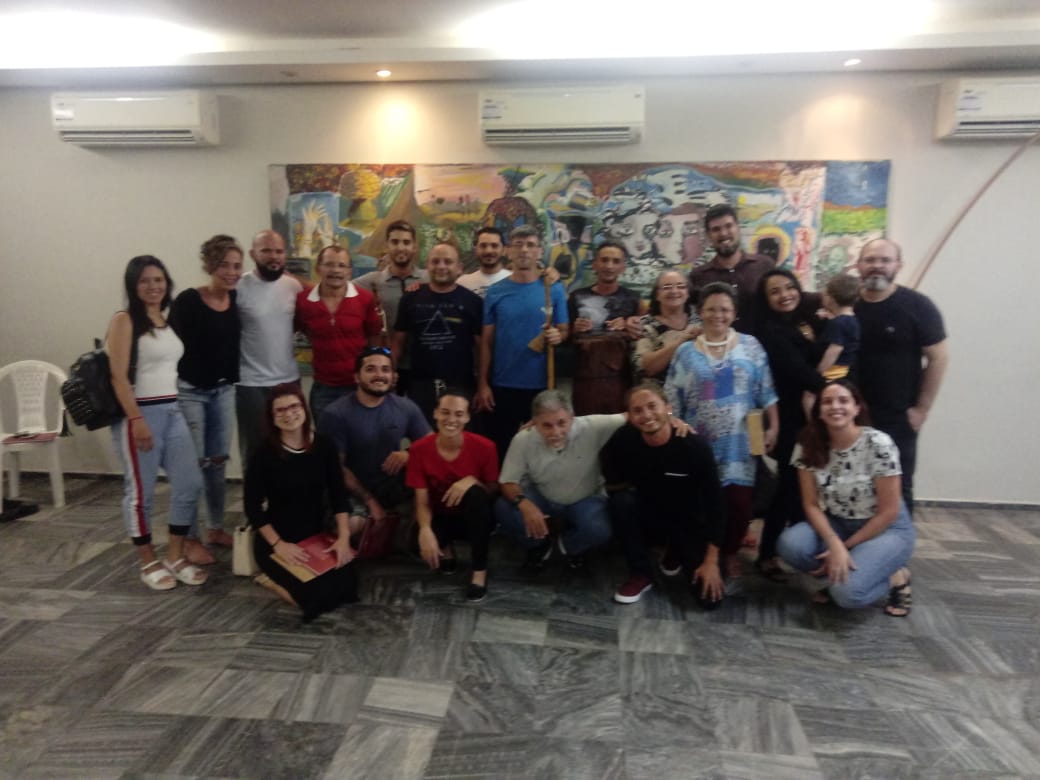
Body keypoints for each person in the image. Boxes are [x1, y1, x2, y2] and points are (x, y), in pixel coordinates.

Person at [107, 255, 206, 591]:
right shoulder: (124, 320)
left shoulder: (164, 319)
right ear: (133, 285)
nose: (153, 286)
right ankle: (147, 561)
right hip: (140, 414)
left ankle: (175, 555)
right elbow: (118, 377)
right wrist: (136, 419)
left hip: (172, 410)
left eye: (159, 279)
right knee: (141, 493)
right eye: (145, 280)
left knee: (190, 483)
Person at [666, 282, 778, 576]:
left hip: (741, 442)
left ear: (735, 313)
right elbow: (671, 396)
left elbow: (767, 390)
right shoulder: (685, 351)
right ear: (700, 312)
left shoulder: (751, 346)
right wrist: (675, 426)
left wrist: (773, 426)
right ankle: (695, 549)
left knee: (739, 504)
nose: (718, 315)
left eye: (725, 309)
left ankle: (728, 551)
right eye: (711, 309)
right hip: (697, 442)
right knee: (697, 502)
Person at [777, 380, 914, 616]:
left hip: (886, 529)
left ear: (857, 408)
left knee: (847, 595)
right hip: (838, 523)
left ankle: (895, 577)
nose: (835, 407)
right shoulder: (807, 444)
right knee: (791, 546)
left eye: (843, 401)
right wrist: (833, 542)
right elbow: (811, 504)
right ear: (819, 411)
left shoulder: (879, 443)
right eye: (827, 402)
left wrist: (844, 547)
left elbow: (889, 512)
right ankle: (846, 570)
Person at [601, 383, 726, 609]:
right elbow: (604, 461)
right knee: (621, 502)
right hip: (650, 515)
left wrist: (711, 561)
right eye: (637, 410)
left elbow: (716, 505)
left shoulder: (694, 447)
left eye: (652, 406)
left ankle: (675, 550)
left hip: (688, 521)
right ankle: (641, 573)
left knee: (709, 600)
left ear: (668, 408)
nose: (646, 415)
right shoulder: (624, 439)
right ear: (630, 416)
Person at [245, 384, 360, 622]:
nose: (289, 414)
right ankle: (269, 580)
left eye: (294, 406)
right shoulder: (263, 454)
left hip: (316, 536)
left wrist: (343, 538)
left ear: (304, 409)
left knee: (348, 589)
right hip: (279, 539)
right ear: (271, 417)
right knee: (315, 601)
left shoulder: (325, 445)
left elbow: (339, 495)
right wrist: (279, 545)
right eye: (280, 410)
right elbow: (252, 507)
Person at [855, 238, 948, 511]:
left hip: (897, 418)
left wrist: (922, 409)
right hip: (850, 416)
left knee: (897, 487)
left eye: (885, 260)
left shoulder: (918, 306)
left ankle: (897, 538)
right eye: (870, 260)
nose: (877, 266)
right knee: (852, 484)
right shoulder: (846, 305)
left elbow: (939, 357)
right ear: (859, 265)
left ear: (898, 265)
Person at [169, 234, 243, 565]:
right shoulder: (188, 300)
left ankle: (215, 528)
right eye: (225, 265)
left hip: (223, 391)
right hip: (191, 392)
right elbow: (168, 344)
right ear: (210, 265)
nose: (231, 272)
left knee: (217, 464)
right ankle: (189, 538)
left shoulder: (236, 300)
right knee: (193, 468)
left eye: (237, 266)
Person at [752, 268, 826, 581]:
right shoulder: (771, 331)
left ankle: (800, 552)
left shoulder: (804, 322)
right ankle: (767, 554)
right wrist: (837, 391)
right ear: (766, 299)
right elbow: (799, 371)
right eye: (775, 291)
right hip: (788, 418)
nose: (785, 295)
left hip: (812, 416)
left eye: (789, 287)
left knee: (804, 486)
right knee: (788, 486)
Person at [495, 390, 618, 571]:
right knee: (503, 508)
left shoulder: (591, 426)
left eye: (562, 423)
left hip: (585, 498)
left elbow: (630, 416)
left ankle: (568, 547)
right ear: (535, 422)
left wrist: (663, 418)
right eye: (547, 425)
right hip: (542, 495)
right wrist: (525, 504)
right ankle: (538, 545)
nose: (556, 432)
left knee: (599, 529)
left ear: (572, 417)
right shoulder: (523, 439)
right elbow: (507, 482)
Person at [475, 225, 568, 463]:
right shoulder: (495, 292)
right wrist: (483, 384)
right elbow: (486, 342)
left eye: (530, 245)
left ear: (539, 251)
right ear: (508, 251)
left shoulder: (553, 289)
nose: (524, 250)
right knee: (501, 449)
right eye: (518, 245)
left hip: (542, 386)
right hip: (502, 385)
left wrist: (558, 336)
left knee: (541, 450)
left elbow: (564, 329)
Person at [319, 347, 431, 527]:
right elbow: (336, 469)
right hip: (353, 489)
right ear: (357, 377)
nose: (379, 375)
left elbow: (432, 445)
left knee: (432, 491)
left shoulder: (406, 407)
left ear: (393, 376)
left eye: (385, 369)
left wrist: (409, 454)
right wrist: (370, 501)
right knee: (354, 524)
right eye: (371, 369)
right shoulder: (335, 414)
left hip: (390, 485)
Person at [406, 391, 499, 602]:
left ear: (467, 418)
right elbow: (421, 500)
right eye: (445, 412)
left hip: (474, 516)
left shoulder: (485, 447)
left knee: (476, 495)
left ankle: (479, 571)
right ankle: (446, 548)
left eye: (458, 414)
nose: (451, 420)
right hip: (441, 513)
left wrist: (473, 481)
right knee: (415, 542)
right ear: (435, 413)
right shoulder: (419, 449)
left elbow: (493, 490)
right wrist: (425, 530)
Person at [392, 242, 483, 423]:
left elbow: (482, 348)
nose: (441, 266)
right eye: (435, 261)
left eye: (448, 262)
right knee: (422, 434)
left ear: (459, 268)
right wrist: (390, 374)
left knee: (457, 434)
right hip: (420, 383)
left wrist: (483, 384)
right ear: (427, 265)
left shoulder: (473, 301)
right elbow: (398, 343)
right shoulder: (410, 298)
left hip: (461, 384)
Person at [235, 230, 303, 467]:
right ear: (253, 254)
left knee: (292, 445)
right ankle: (255, 492)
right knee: (255, 450)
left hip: (288, 379)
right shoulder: (239, 286)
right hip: (250, 382)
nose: (273, 256)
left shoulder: (293, 286)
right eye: (266, 251)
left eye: (278, 251)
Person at [294, 245, 382, 424]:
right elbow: (302, 329)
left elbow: (374, 339)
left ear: (350, 271)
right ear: (318, 268)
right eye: (329, 264)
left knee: (361, 439)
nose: (335, 270)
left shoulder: (365, 299)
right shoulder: (303, 302)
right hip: (324, 389)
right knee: (326, 440)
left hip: (359, 387)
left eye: (342, 265)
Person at [567, 240, 643, 414]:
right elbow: (563, 336)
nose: (609, 266)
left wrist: (629, 325)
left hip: (622, 380)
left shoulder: (634, 299)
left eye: (616, 261)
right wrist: (574, 329)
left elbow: (645, 336)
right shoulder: (576, 297)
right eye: (604, 260)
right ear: (595, 264)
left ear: (623, 267)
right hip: (585, 380)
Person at [688, 204, 774, 334]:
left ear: (737, 228)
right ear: (709, 235)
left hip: (765, 343)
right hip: (717, 345)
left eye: (728, 226)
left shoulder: (764, 265)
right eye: (716, 229)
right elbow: (688, 314)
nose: (723, 233)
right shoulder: (698, 276)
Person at [354, 221, 427, 374]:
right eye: (395, 242)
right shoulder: (371, 281)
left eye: (406, 242)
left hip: (423, 367)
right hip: (385, 368)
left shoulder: (428, 279)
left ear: (414, 247)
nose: (400, 247)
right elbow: (337, 286)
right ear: (387, 246)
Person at [630, 270, 702, 382]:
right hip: (659, 389)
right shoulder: (645, 325)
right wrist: (681, 342)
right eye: (667, 287)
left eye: (681, 286)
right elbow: (645, 368)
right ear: (657, 295)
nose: (674, 291)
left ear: (688, 293)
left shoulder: (701, 319)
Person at [458, 227, 511, 298]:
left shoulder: (516, 281)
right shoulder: (462, 284)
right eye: (483, 246)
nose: (488, 251)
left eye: (494, 246)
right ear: (475, 250)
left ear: (504, 250)